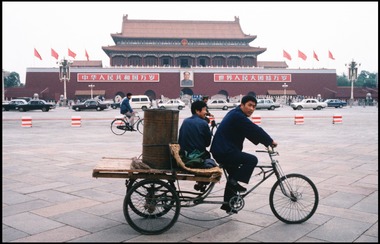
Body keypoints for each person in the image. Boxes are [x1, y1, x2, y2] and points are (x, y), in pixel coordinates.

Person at [210, 95, 278, 214]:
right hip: (224, 151)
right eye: (249, 105)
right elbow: (254, 129)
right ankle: (234, 183)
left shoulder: (236, 113)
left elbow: (249, 132)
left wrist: (263, 142)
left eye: (254, 107)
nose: (252, 109)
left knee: (233, 174)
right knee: (251, 160)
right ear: (242, 105)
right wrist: (269, 141)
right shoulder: (238, 116)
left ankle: (228, 205)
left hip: (223, 150)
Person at [178, 100, 215, 169]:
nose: (206, 112)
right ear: (197, 111)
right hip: (198, 156)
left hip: (184, 156)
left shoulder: (185, 121)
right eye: (204, 110)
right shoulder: (203, 123)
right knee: (209, 159)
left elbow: (180, 140)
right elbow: (207, 143)